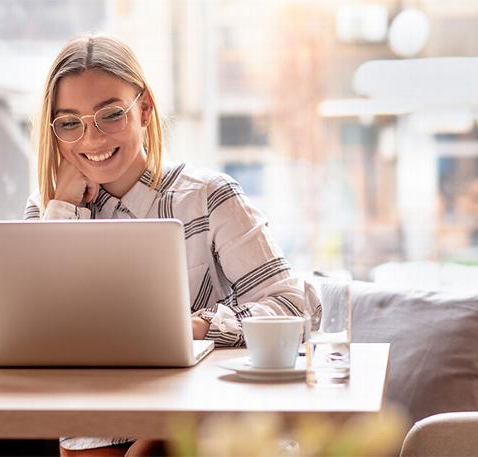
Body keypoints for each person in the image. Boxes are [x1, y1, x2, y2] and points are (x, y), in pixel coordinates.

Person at [24, 34, 305, 457]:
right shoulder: (47, 209)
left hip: (198, 425)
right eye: (69, 123)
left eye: (111, 114)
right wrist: (63, 207)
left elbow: (293, 307)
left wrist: (200, 326)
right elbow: (34, 334)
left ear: (144, 108)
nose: (92, 139)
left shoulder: (207, 196)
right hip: (93, 430)